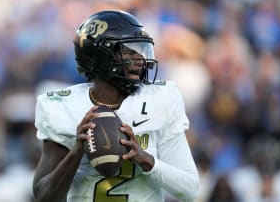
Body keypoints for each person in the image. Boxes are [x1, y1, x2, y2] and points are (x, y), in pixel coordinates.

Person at [33, 10, 199, 202]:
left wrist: (147, 161)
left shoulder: (161, 100)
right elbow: (44, 197)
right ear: (101, 57)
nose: (139, 58)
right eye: (129, 50)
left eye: (141, 50)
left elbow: (190, 189)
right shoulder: (62, 107)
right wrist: (76, 151)